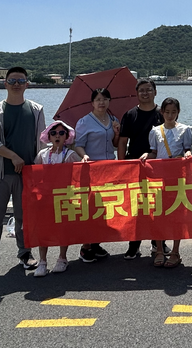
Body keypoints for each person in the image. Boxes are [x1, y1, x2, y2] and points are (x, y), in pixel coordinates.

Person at [0, 66, 46, 280]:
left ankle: (25, 253)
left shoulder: (36, 110)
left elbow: (43, 141)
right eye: (13, 80)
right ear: (5, 83)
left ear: (27, 84)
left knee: (24, 218)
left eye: (21, 81)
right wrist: (13, 156)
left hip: (28, 174)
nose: (17, 84)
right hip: (0, 174)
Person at [143, 97, 192, 268]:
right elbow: (154, 152)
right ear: (162, 112)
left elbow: (187, 149)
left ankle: (175, 251)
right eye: (167, 112)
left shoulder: (185, 130)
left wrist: (188, 154)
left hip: (178, 177)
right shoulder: (155, 131)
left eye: (174, 112)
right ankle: (159, 249)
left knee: (177, 215)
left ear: (178, 112)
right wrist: (146, 155)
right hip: (159, 177)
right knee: (158, 214)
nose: (170, 115)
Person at [118, 77, 164, 259]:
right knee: (135, 207)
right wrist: (121, 165)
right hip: (134, 166)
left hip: (158, 166)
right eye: (141, 90)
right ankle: (134, 244)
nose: (145, 93)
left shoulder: (162, 114)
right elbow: (122, 142)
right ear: (136, 94)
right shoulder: (130, 115)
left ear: (155, 92)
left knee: (158, 206)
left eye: (148, 89)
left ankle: (158, 243)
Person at [74, 87, 120, 262]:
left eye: (105, 99)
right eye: (98, 99)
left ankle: (96, 243)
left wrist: (117, 133)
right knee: (90, 207)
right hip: (92, 168)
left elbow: (115, 144)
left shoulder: (113, 119)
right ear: (92, 102)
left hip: (109, 168)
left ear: (109, 101)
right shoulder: (84, 121)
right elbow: (78, 144)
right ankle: (85, 246)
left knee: (104, 207)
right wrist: (84, 155)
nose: (102, 102)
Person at [33, 121, 82, 277]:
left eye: (61, 133)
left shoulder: (70, 154)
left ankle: (62, 258)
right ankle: (42, 261)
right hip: (45, 197)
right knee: (43, 229)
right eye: (53, 133)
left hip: (64, 196)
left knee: (63, 228)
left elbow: (80, 173)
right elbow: (34, 174)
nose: (57, 136)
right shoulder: (42, 154)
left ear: (66, 137)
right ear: (49, 137)